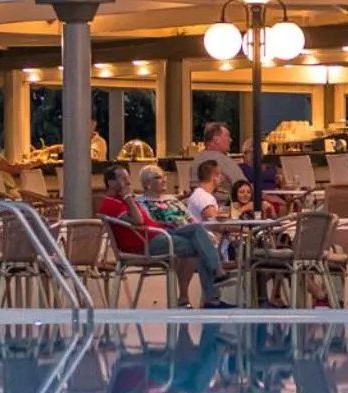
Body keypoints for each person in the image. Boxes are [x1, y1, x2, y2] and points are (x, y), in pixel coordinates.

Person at [97, 164, 228, 307]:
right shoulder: (111, 204)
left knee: (197, 229)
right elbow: (139, 221)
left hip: (160, 232)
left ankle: (215, 276)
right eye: (123, 179)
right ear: (111, 182)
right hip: (146, 242)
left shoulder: (123, 200)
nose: (128, 182)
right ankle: (212, 294)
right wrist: (128, 197)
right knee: (200, 245)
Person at [197, 122, 248, 187]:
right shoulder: (223, 160)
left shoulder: (196, 161)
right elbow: (243, 186)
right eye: (227, 136)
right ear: (217, 140)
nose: (231, 140)